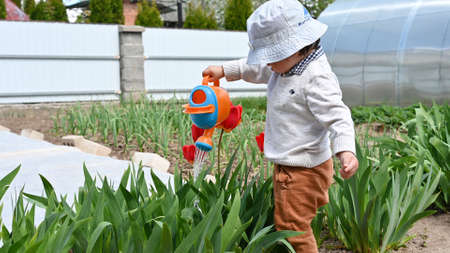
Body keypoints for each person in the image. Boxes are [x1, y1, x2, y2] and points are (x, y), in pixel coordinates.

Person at [202, 0, 359, 252]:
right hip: (298, 164)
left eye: (270, 56)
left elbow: (338, 115)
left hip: (301, 169)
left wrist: (346, 150)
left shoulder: (316, 77)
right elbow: (253, 69)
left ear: (295, 48)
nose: (267, 63)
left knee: (292, 228)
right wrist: (223, 70)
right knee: (297, 222)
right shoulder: (284, 65)